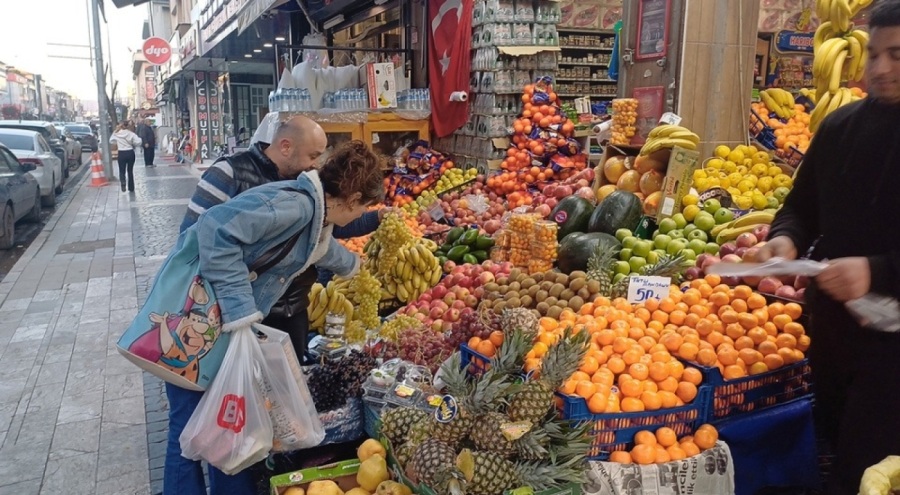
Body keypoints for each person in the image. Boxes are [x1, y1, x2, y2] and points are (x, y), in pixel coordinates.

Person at [164, 140, 384, 495]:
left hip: (217, 327)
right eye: (364, 209)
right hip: (197, 326)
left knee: (228, 427)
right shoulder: (294, 207)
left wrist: (356, 267)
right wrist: (241, 314)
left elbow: (320, 247)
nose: (359, 218)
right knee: (187, 430)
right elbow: (214, 230)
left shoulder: (313, 213)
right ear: (353, 199)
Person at [752, 2, 900, 493]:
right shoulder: (840, 128)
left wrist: (876, 271)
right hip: (834, 332)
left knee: (863, 473)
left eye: (896, 55)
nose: (879, 69)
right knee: (833, 448)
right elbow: (801, 205)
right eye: (874, 55)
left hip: (893, 352)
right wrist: (784, 239)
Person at [179, 115, 385, 360]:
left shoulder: (310, 199)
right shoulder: (293, 202)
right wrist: (240, 311)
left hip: (281, 306)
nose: (315, 164)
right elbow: (207, 230)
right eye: (312, 155)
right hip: (223, 311)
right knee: (214, 390)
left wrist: (352, 265)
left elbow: (317, 240)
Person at [109, 121, 142, 192]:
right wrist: (133, 143)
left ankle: (123, 183)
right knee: (130, 170)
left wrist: (118, 142)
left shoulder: (116, 133)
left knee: (122, 170)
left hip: (121, 153)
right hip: (130, 152)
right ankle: (131, 187)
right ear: (128, 126)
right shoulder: (131, 133)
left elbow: (111, 141)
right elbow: (138, 142)